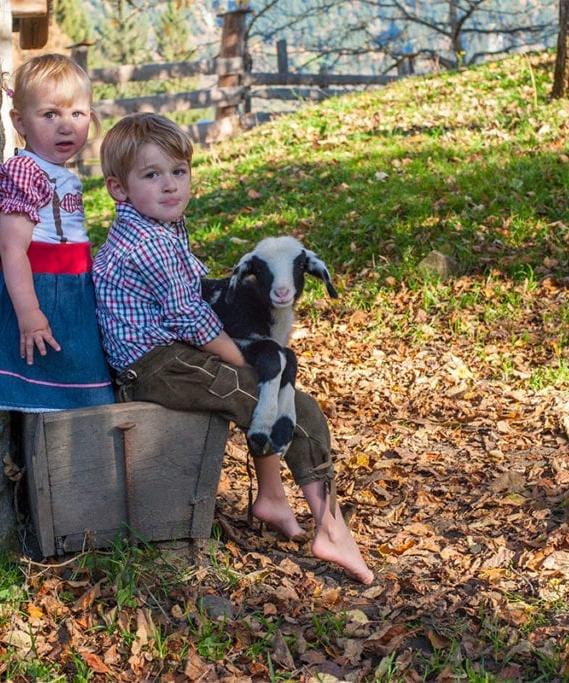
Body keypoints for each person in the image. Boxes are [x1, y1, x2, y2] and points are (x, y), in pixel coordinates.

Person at [92, 113, 374, 585]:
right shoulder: (149, 243)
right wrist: (246, 358)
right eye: (152, 175)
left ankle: (273, 497)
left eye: (178, 172)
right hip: (157, 366)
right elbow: (193, 320)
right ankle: (329, 528)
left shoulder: (158, 228)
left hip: (170, 354)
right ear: (119, 189)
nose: (170, 186)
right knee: (286, 400)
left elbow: (202, 292)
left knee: (273, 385)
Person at [0, 54, 115, 412]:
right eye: (50, 114)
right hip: (41, 291)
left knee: (86, 384)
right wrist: (29, 312)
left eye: (77, 114)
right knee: (51, 390)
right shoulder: (26, 171)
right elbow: (12, 249)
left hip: (72, 290)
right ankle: (49, 453)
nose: (66, 126)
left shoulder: (64, 174)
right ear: (20, 122)